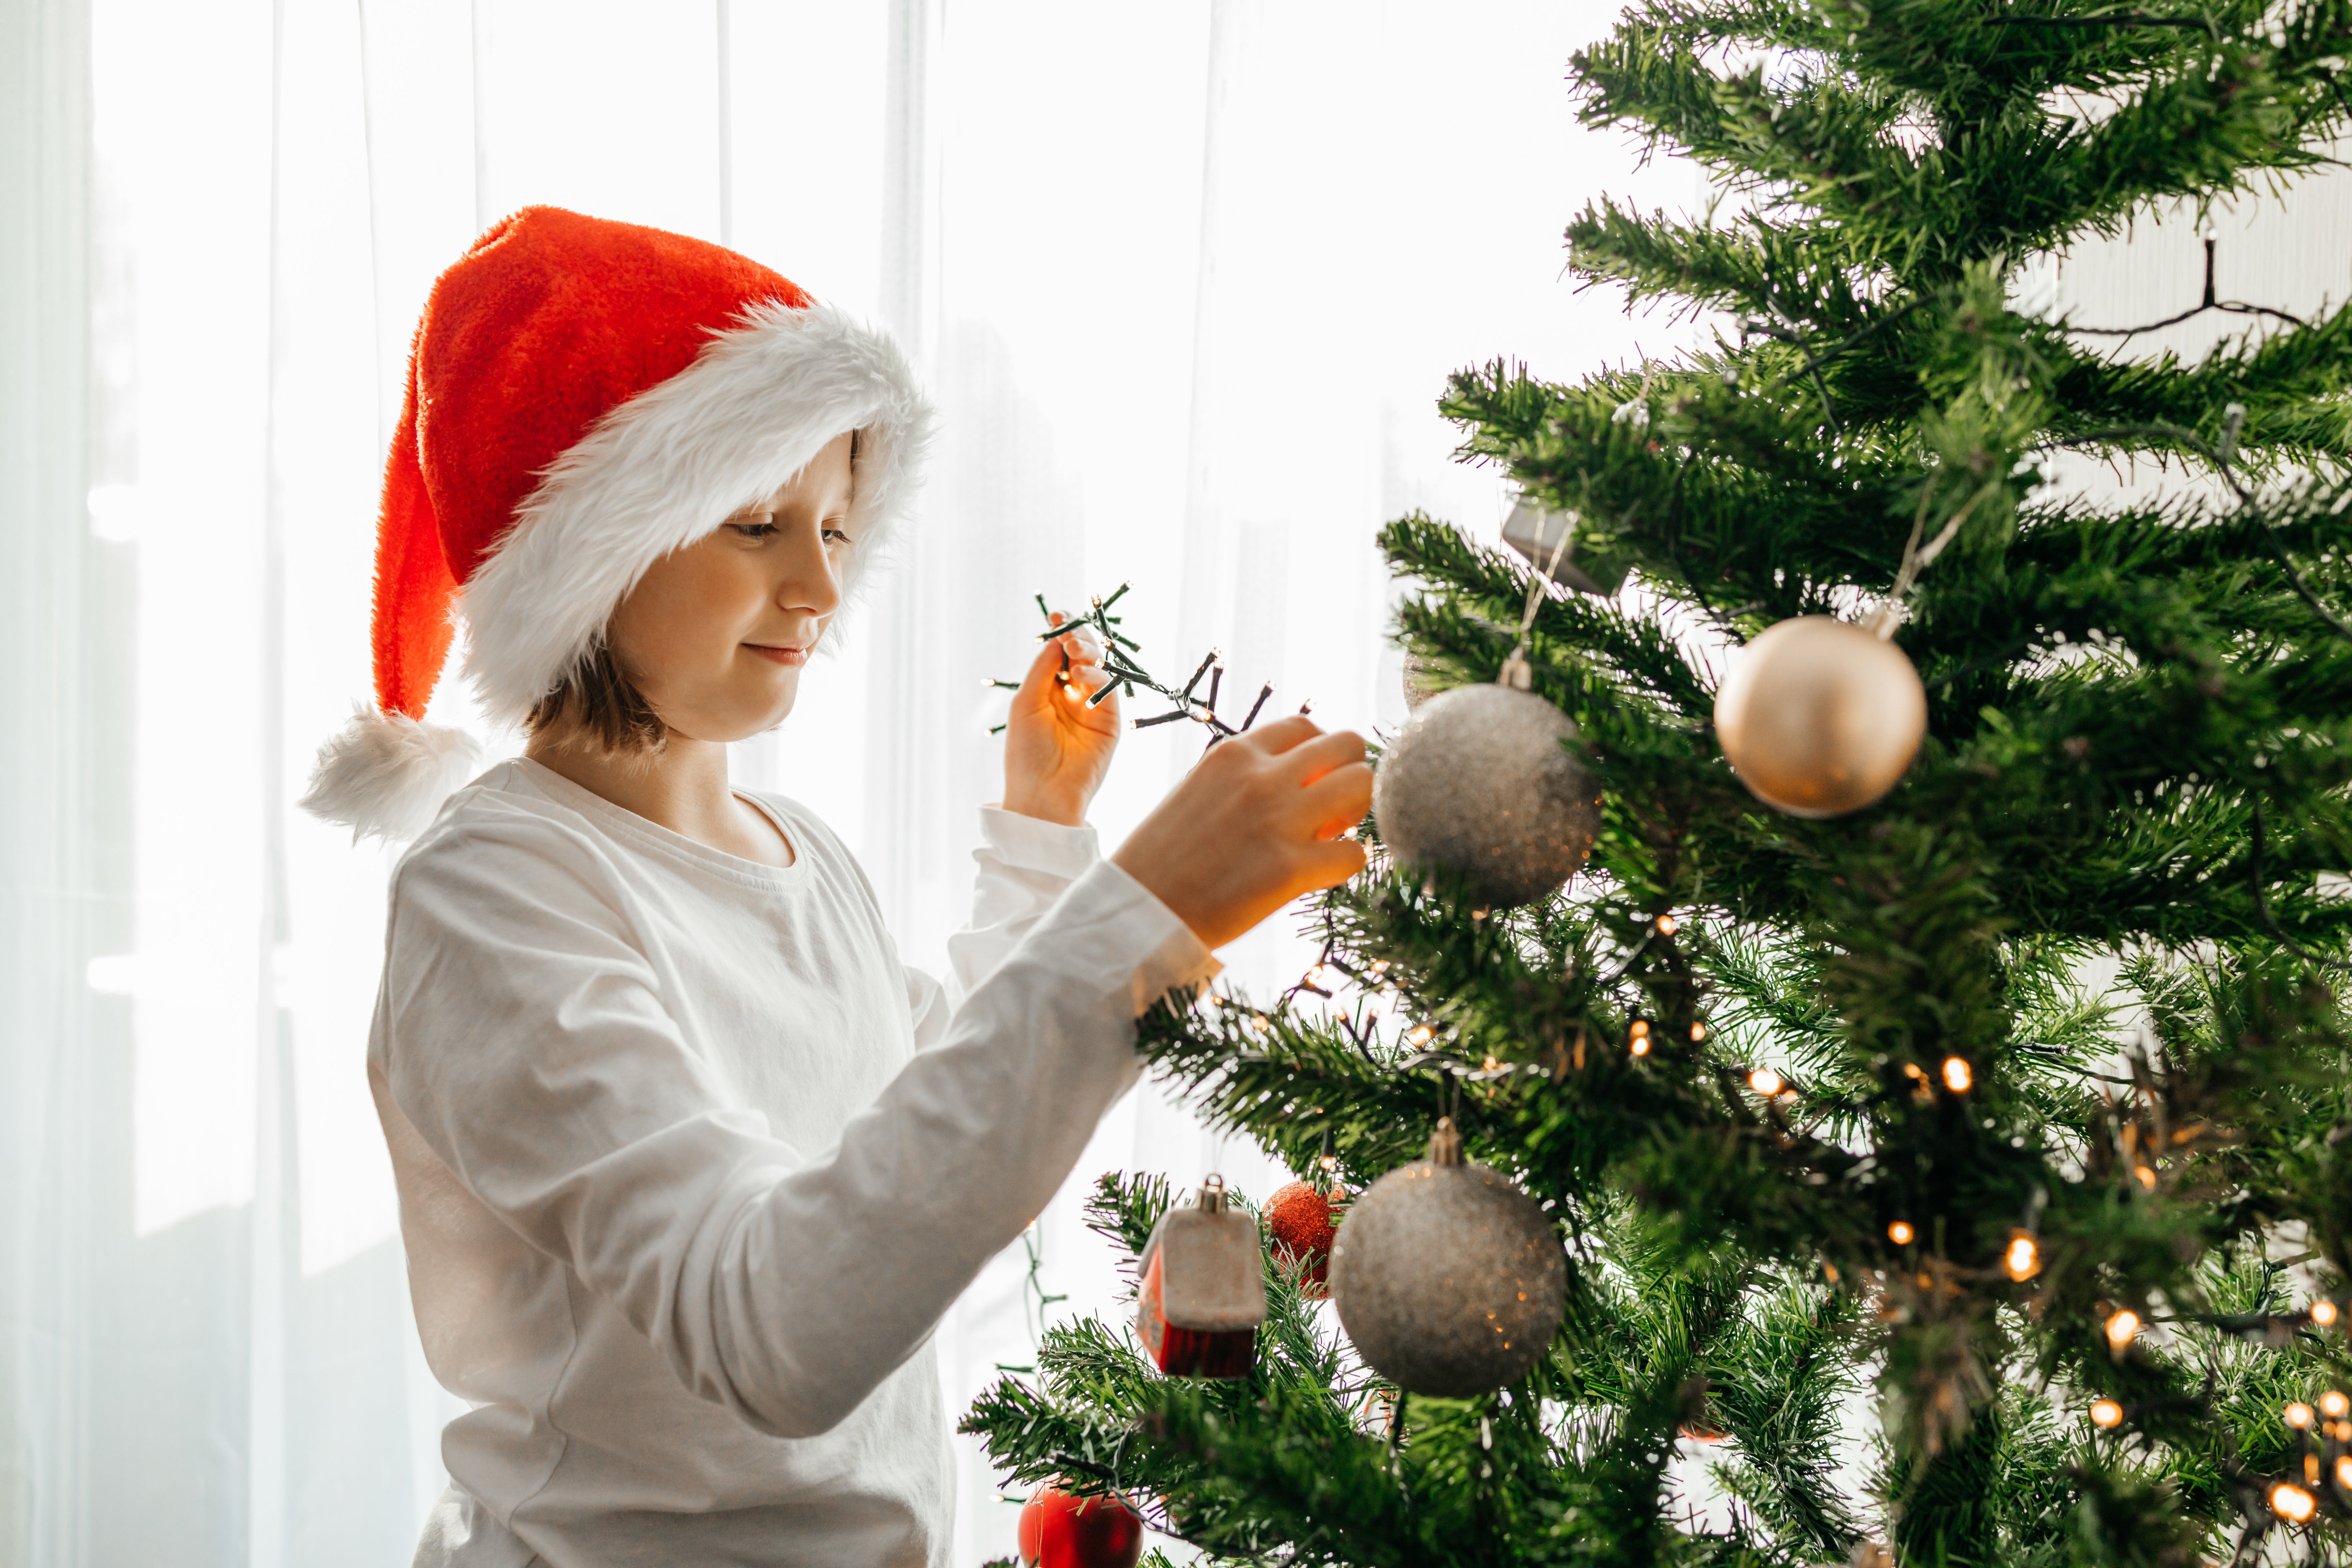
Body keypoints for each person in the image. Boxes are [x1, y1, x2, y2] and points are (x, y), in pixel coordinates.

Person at [300, 206, 1372, 1568]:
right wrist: (1148, 910)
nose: (821, 584)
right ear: (589, 552)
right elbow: (780, 1331)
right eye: (759, 524)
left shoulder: (800, 853)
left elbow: (938, 1173)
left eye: (837, 525)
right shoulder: (496, 895)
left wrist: (1043, 828)